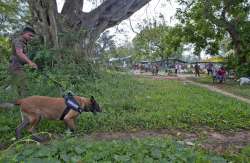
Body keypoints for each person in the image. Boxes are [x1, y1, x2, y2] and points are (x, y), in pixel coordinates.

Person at [9, 27, 38, 97]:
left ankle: (20, 104)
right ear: (24, 33)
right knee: (24, 86)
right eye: (30, 35)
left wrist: (29, 63)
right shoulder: (18, 41)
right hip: (16, 67)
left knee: (20, 86)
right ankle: (26, 105)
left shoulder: (24, 42)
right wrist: (30, 63)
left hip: (19, 66)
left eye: (32, 36)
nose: (31, 38)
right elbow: (19, 53)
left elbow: (22, 56)